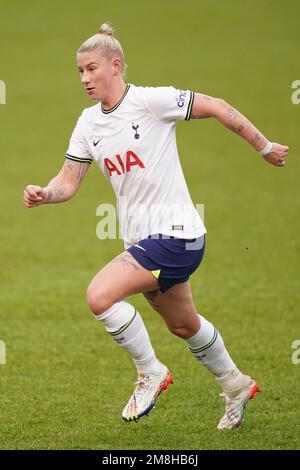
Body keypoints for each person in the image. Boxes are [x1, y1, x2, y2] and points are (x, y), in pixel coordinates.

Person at [23, 23, 289, 430]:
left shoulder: (151, 102)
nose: (84, 79)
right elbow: (69, 181)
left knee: (99, 296)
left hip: (177, 235)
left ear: (116, 66)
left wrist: (264, 146)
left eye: (91, 69)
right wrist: (45, 192)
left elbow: (217, 105)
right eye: (79, 71)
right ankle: (236, 385)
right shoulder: (88, 123)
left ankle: (150, 372)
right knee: (183, 325)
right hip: (146, 239)